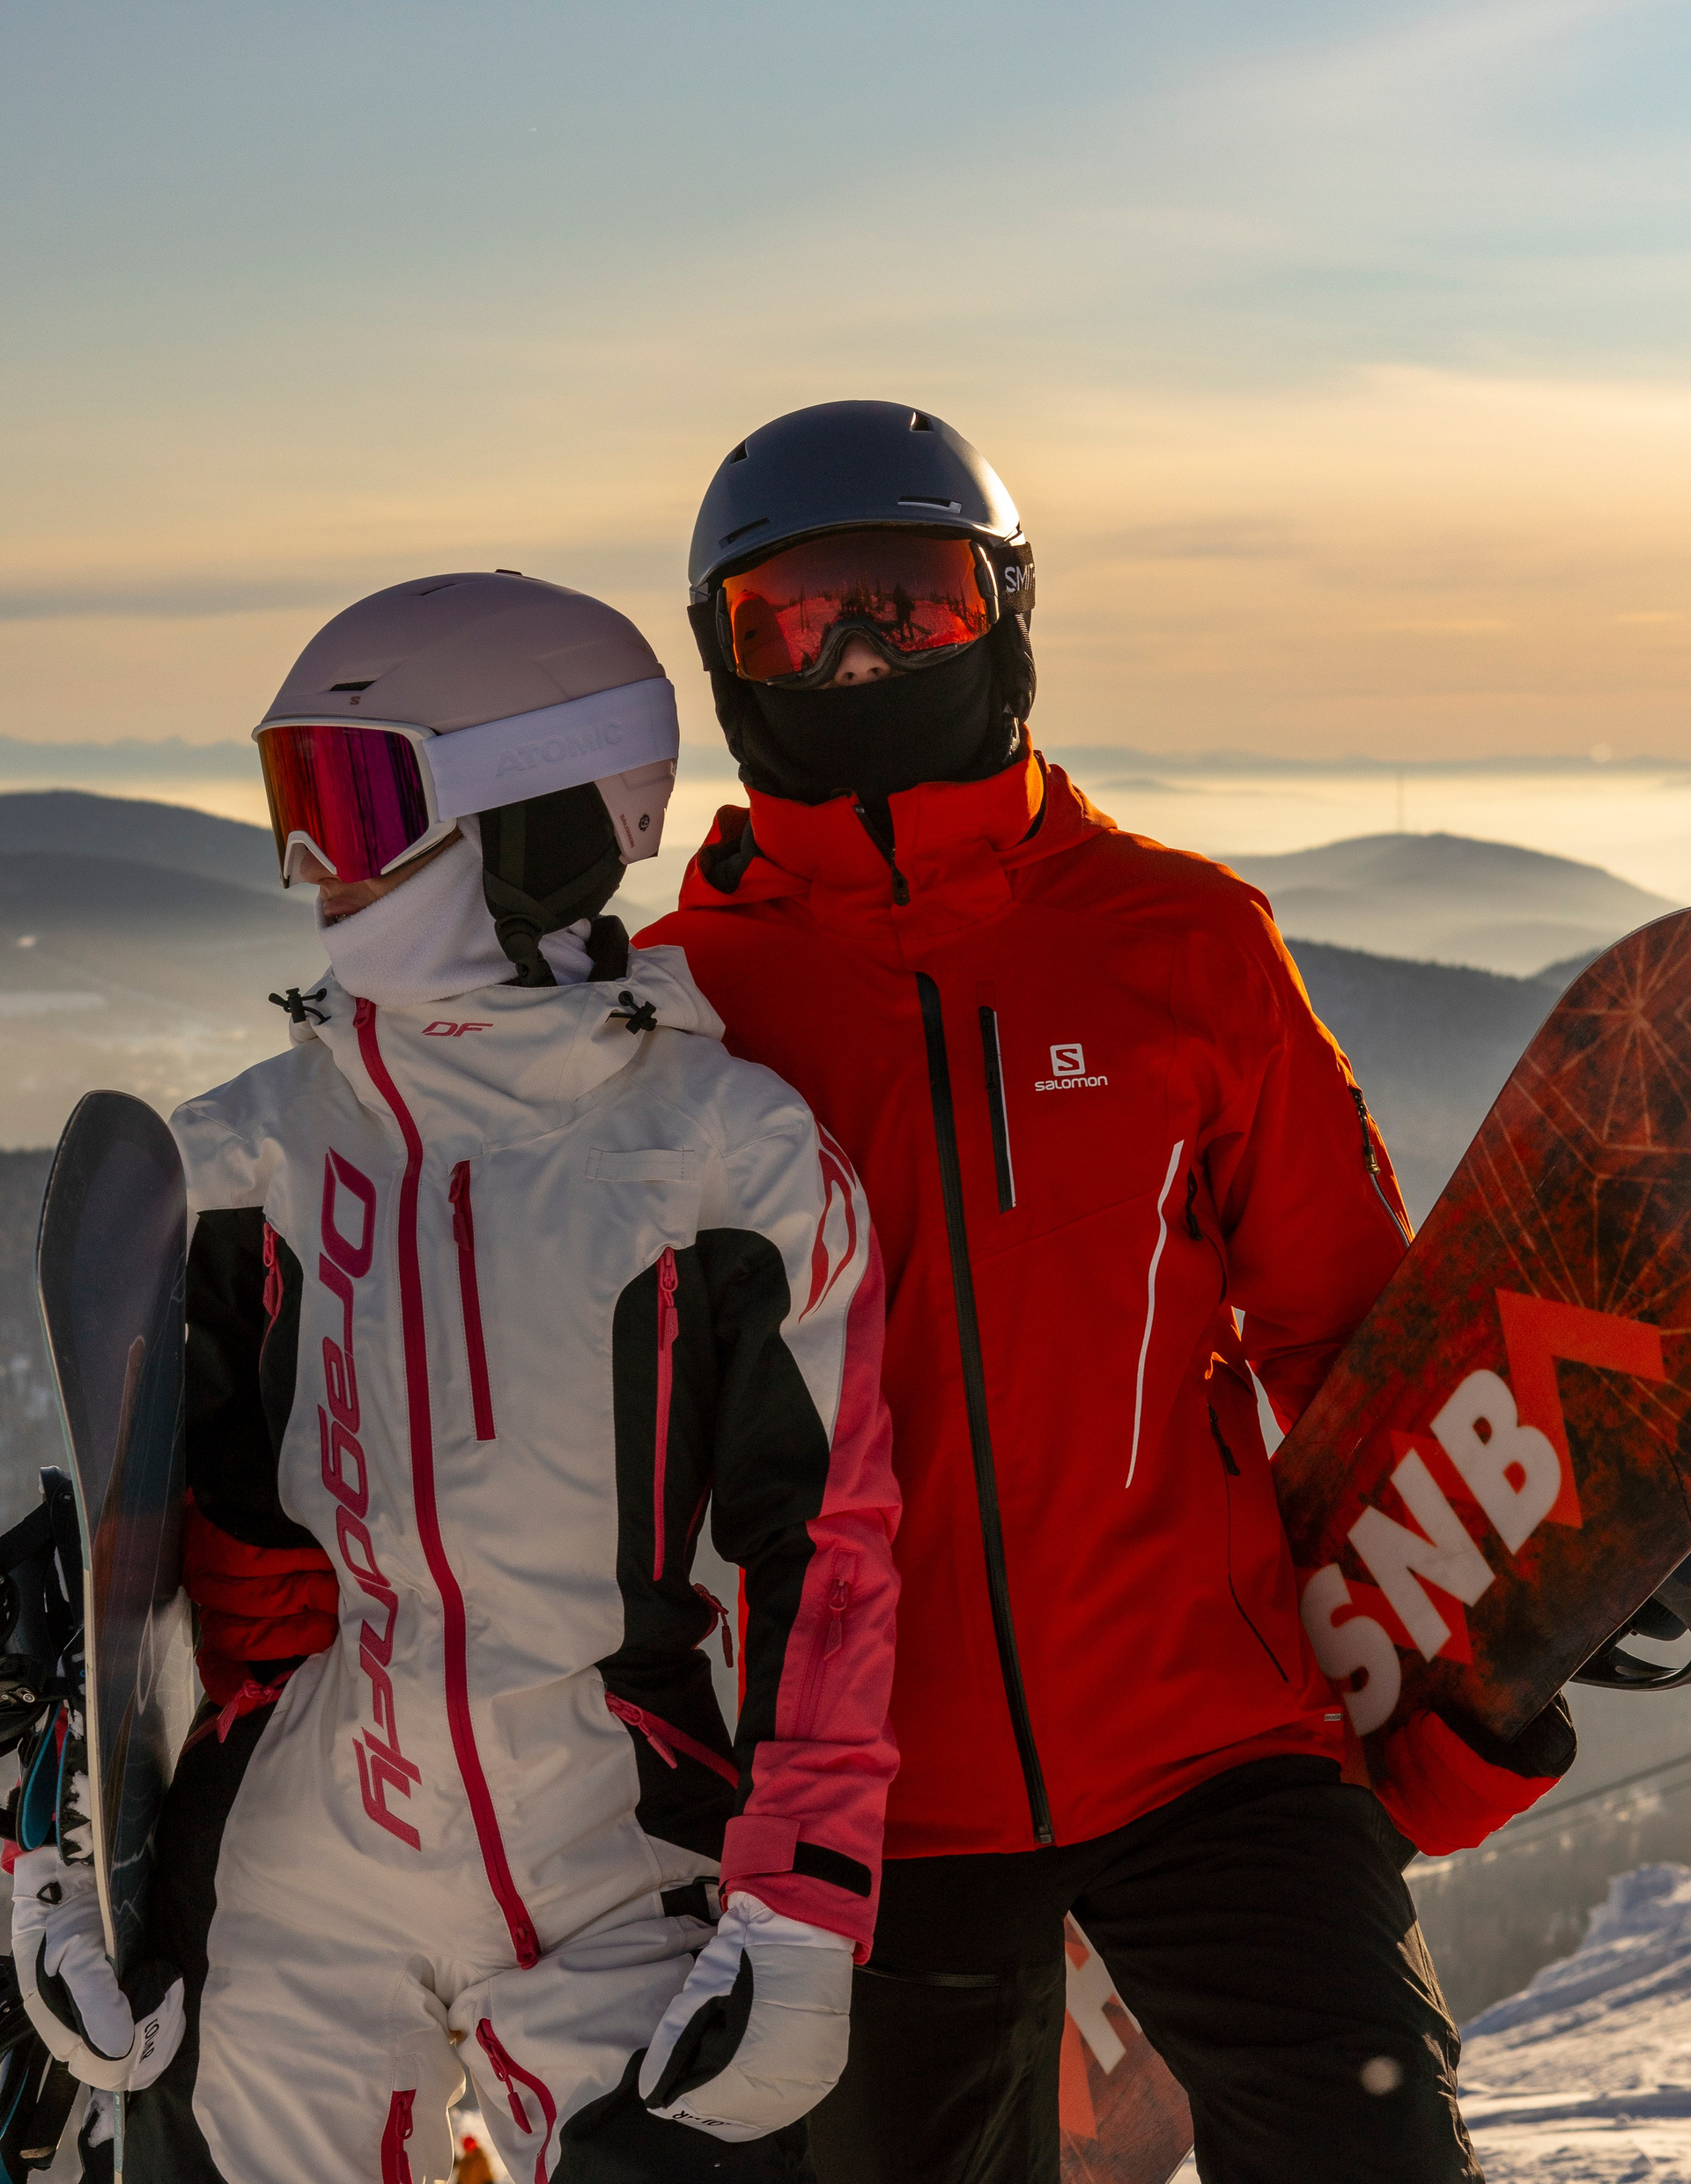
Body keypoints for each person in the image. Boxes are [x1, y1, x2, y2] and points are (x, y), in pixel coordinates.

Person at [638, 402, 1576, 2184]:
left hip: (1212, 1744)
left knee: (1380, 2155)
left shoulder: (1181, 943)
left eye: (911, 600)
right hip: (869, 1803)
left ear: (1005, 609)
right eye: (795, 620)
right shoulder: (681, 1016)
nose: (857, 655)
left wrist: (1544, 1589)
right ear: (726, 659)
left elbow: (1350, 1344)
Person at [11, 572, 899, 2184]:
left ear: (534, 816)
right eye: (295, 804)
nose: (315, 863)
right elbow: (149, 1562)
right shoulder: (243, 1161)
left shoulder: (723, 1159)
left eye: (358, 803)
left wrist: (801, 1899)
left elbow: (824, 1552)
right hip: (304, 1846)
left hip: (613, 1844)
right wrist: (71, 1845)